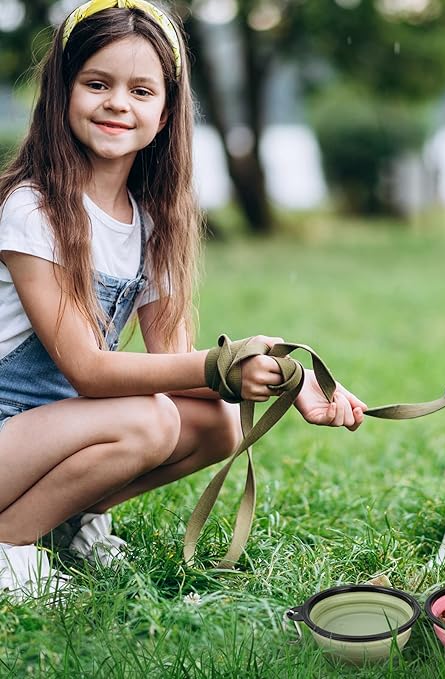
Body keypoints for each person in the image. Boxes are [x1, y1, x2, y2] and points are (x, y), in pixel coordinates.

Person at [0, 0, 366, 599]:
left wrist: (290, 379)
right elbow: (88, 371)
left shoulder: (152, 222)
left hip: (53, 434)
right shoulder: (32, 209)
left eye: (141, 91)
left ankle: (64, 523)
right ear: (62, 92)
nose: (118, 103)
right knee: (148, 418)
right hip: (9, 427)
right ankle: (9, 543)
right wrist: (223, 363)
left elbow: (172, 365)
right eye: (97, 84)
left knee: (214, 424)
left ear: (167, 112)